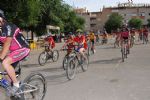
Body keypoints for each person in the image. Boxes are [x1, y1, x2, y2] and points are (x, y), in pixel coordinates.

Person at [0, 10, 30, 93]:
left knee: (5, 62)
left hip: (23, 48)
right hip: (14, 52)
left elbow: (7, 43)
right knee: (6, 74)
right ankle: (18, 92)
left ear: (2, 18)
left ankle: (16, 85)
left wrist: (1, 58)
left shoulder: (8, 26)